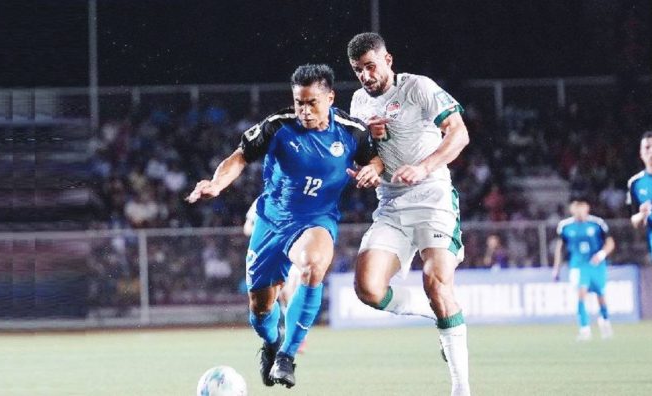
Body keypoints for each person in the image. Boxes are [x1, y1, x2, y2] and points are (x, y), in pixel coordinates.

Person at [187, 64, 382, 389]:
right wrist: (217, 184)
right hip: (272, 221)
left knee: (314, 263)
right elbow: (240, 155)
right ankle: (271, 344)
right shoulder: (279, 126)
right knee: (260, 308)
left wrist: (373, 169)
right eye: (298, 102)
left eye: (312, 103)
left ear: (330, 98)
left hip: (316, 220)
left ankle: (287, 357)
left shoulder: (351, 131)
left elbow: (374, 157)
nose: (304, 110)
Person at [346, 32, 471, 396]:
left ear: (388, 60)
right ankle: (437, 313)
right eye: (358, 70)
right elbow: (368, 154)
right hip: (392, 204)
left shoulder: (418, 88)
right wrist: (368, 168)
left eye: (371, 66)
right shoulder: (358, 102)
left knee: (437, 281)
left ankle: (461, 387)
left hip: (432, 197)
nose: (366, 76)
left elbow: (459, 134)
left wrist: (425, 166)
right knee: (368, 288)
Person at [243, 198, 307, 354]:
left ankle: (296, 338)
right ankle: (276, 335)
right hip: (268, 255)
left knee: (289, 295)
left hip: (291, 256)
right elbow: (247, 228)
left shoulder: (298, 197)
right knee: (267, 299)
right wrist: (264, 229)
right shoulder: (262, 201)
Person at [552, 196, 615, 340]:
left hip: (596, 265)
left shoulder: (598, 224)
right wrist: (556, 268)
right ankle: (585, 328)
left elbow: (610, 243)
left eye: (581, 206)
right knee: (581, 294)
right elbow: (560, 248)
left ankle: (604, 321)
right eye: (576, 207)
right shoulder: (565, 226)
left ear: (587, 207)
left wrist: (601, 254)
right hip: (577, 265)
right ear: (572, 209)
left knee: (601, 296)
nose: (579, 210)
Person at [627, 130, 652, 262]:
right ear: (641, 153)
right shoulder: (635, 183)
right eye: (647, 147)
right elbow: (634, 220)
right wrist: (642, 214)